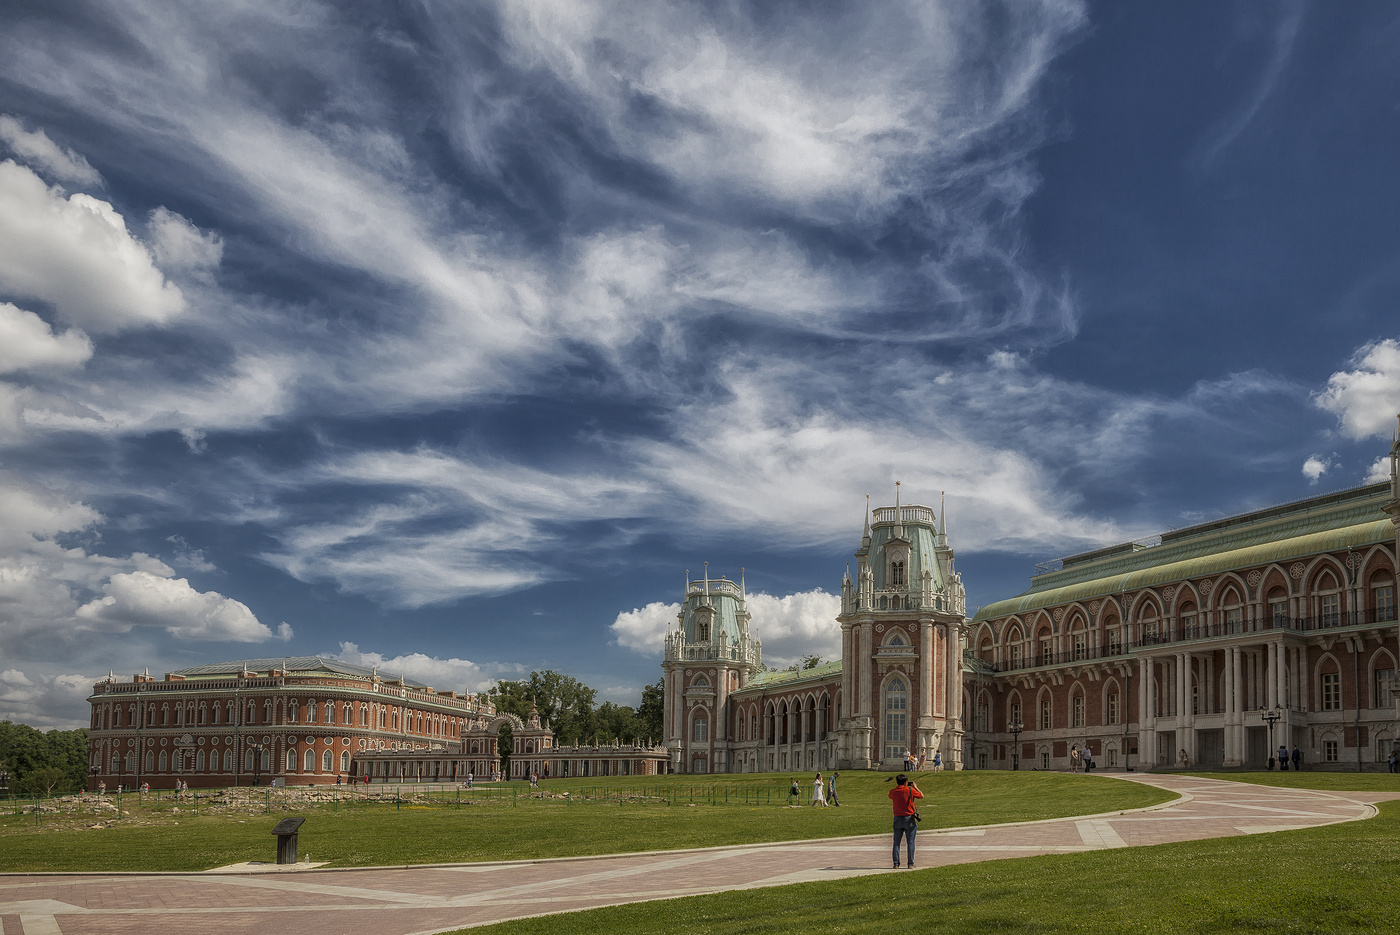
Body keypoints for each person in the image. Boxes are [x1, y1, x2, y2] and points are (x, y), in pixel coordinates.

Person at [889, 773, 922, 869]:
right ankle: (910, 863)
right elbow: (921, 796)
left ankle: (896, 863)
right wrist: (916, 787)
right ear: (906, 782)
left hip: (897, 818)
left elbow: (890, 796)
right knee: (910, 842)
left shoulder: (893, 791)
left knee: (896, 843)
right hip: (909, 819)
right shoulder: (910, 790)